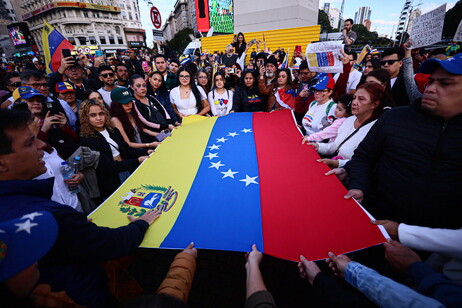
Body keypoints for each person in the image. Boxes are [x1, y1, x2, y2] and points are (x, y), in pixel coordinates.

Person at [0, 109, 162, 306]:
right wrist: (141, 224)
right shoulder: (53, 216)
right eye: (29, 142)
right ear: (2, 163)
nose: (41, 144)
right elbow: (111, 244)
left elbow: (63, 164)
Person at [346, 53, 462, 229]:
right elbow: (364, 157)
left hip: (439, 245)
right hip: (377, 223)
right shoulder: (394, 118)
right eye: (431, 81)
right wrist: (359, 185)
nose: (430, 88)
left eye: (445, 83)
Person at [79, 99, 150, 199]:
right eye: (93, 115)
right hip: (110, 181)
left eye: (101, 114)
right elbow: (107, 166)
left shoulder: (113, 131)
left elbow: (127, 150)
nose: (99, 118)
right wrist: (137, 160)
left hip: (126, 171)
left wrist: (147, 151)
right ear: (85, 118)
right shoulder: (87, 140)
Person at [308, 83, 386, 169]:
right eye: (354, 98)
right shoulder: (349, 120)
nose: (354, 102)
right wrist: (318, 146)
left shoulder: (375, 130)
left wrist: (338, 163)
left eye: (361, 99)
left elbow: (365, 162)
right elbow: (336, 146)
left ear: (374, 104)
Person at [19, 86, 79, 160]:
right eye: (31, 101)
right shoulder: (19, 124)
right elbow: (30, 148)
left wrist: (65, 127)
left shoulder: (51, 117)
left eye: (39, 101)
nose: (36, 103)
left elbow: (76, 140)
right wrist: (44, 129)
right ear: (18, 104)